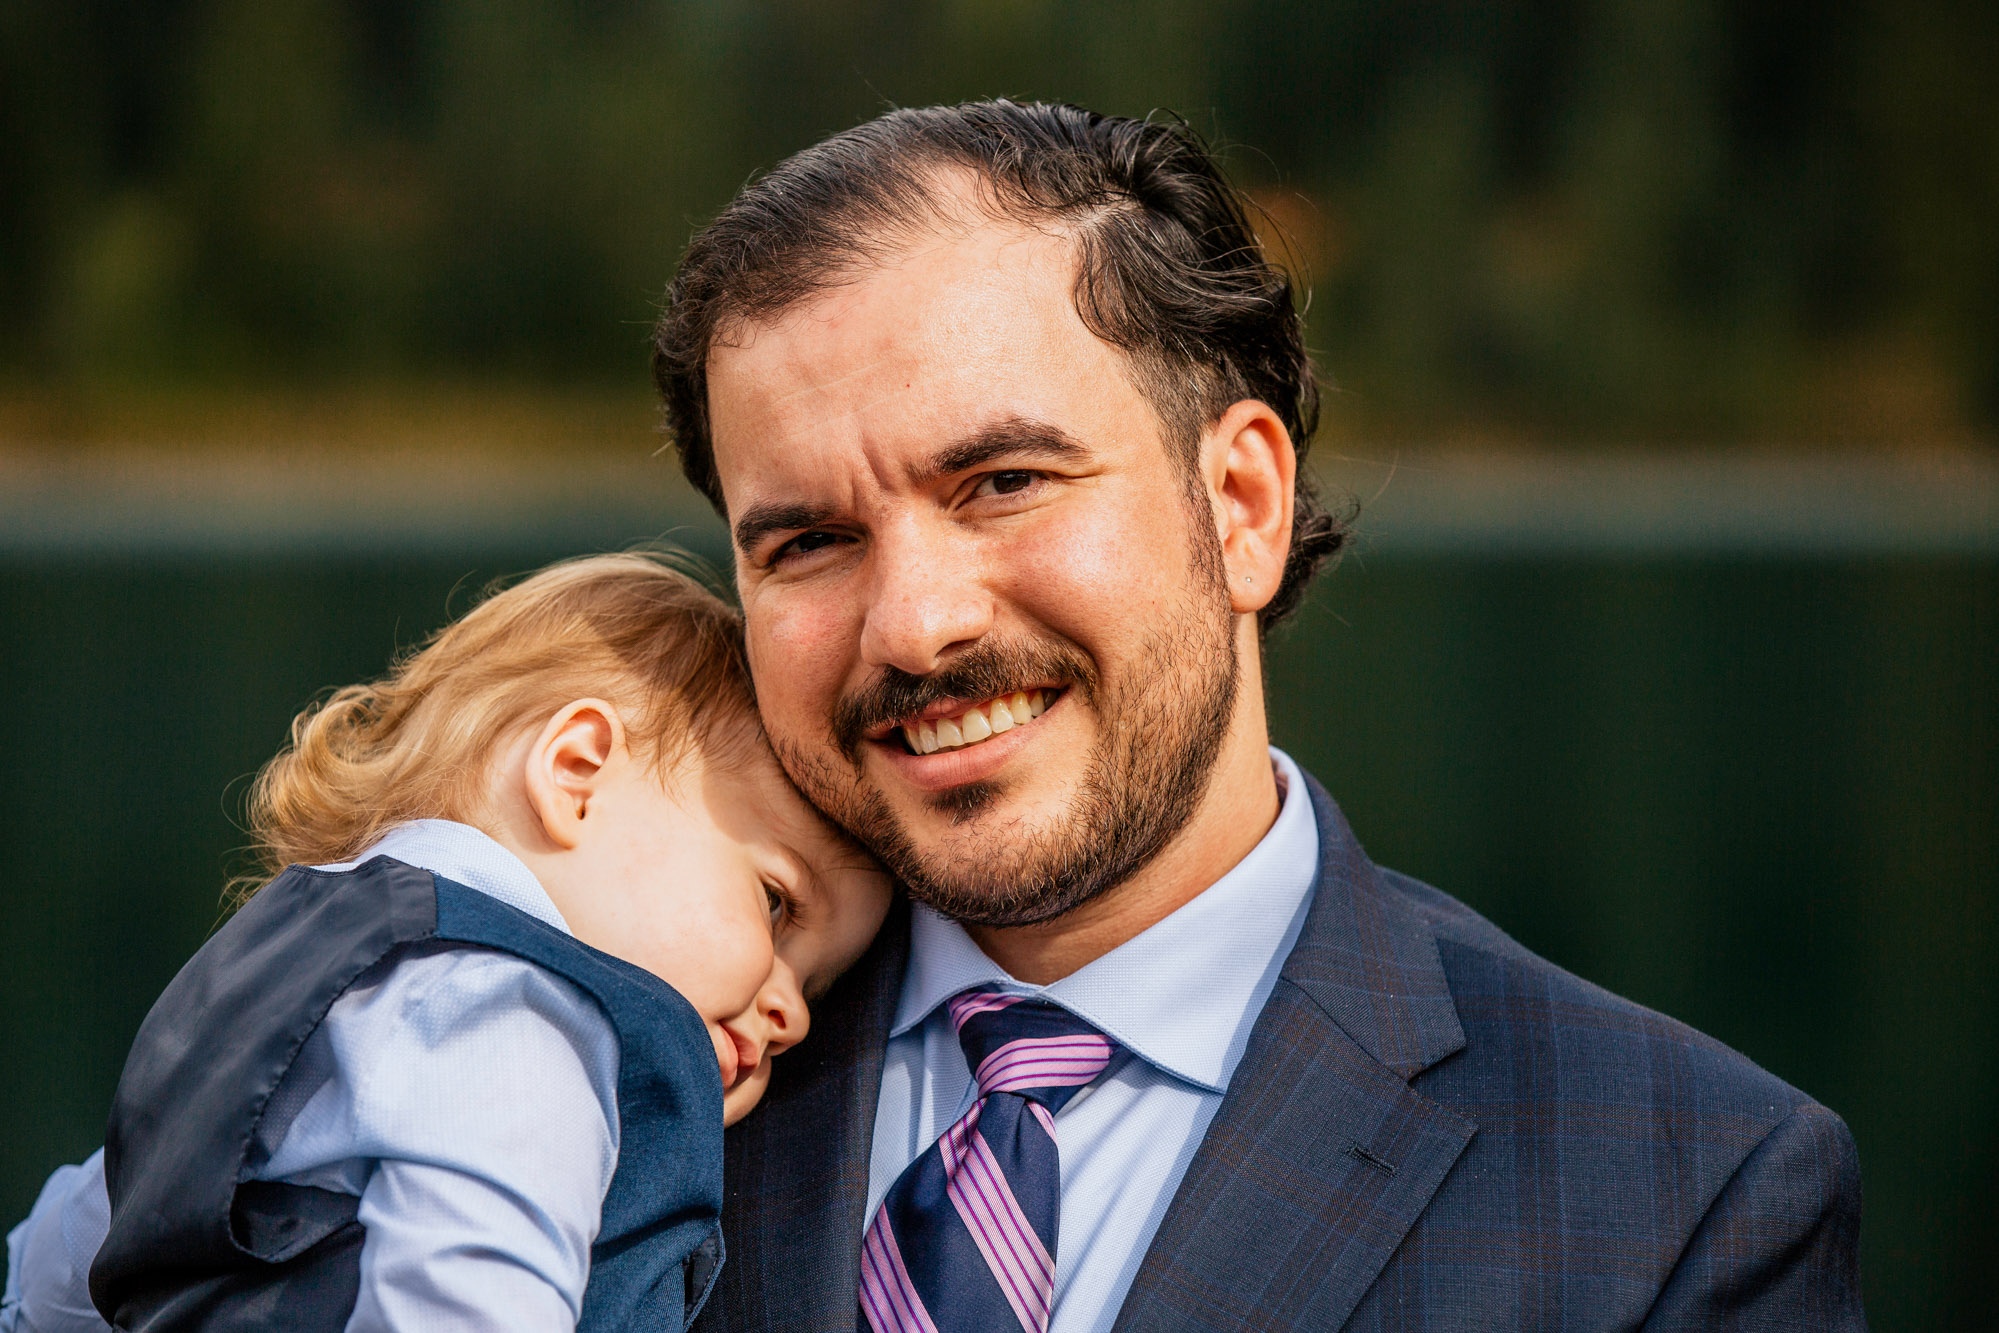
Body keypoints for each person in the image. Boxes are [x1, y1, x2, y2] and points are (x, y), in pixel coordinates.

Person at [9, 99, 1867, 1331]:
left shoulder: (1677, 1198)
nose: (914, 620)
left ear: (1238, 504)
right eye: (807, 534)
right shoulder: (584, 1018)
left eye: (999, 481)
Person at [0, 553, 889, 1332]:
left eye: (816, 983)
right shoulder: (513, 1020)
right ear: (576, 773)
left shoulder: (298, 964)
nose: (791, 1013)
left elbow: (65, 1263)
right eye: (777, 906)